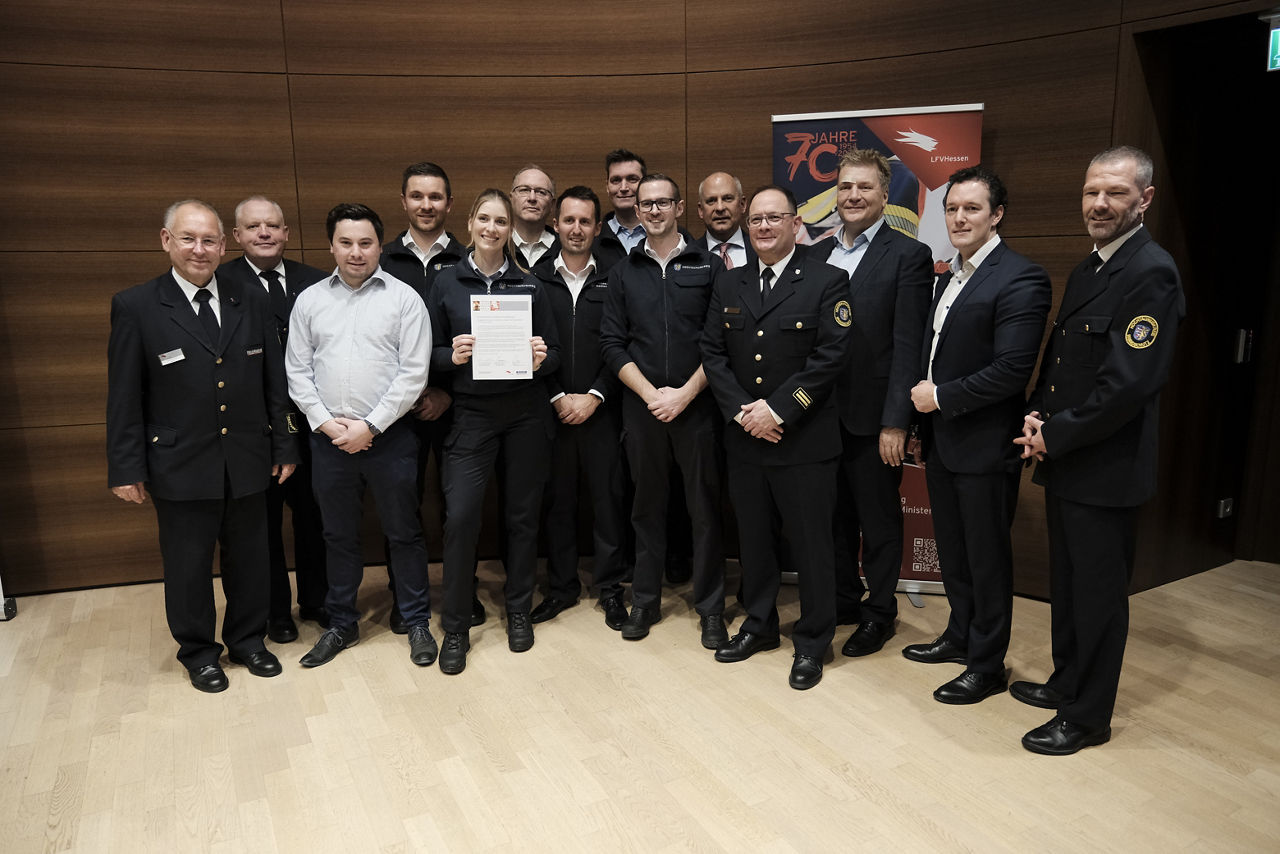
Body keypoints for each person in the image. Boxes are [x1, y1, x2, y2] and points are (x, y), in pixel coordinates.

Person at [1013, 146, 1184, 755]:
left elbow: (1128, 385)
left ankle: (1087, 718)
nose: (1100, 204)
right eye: (1091, 192)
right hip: (1067, 460)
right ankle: (1067, 684)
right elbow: (1065, 362)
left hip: (1106, 468)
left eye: (1114, 193)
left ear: (1145, 198)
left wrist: (1053, 433)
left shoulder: (1150, 271)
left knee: (1099, 597)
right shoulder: (1093, 267)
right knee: (1069, 584)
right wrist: (1037, 412)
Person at [107, 199, 296, 693]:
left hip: (248, 457)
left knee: (251, 557)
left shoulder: (248, 298)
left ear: (223, 244)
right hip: (179, 463)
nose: (200, 249)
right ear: (167, 241)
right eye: (188, 238)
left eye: (209, 240)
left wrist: (286, 446)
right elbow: (125, 397)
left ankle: (248, 640)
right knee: (188, 566)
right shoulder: (137, 306)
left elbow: (274, 380)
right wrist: (126, 467)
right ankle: (198, 651)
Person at [906, 166, 1051, 705]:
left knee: (987, 560)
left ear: (997, 215)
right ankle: (960, 637)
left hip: (987, 447)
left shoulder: (1021, 277)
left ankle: (987, 665)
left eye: (972, 208)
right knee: (956, 553)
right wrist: (926, 423)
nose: (959, 218)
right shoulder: (948, 277)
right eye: (952, 209)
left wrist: (939, 399)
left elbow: (1013, 370)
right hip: (944, 443)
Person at [701, 186, 851, 689]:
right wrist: (744, 414)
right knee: (755, 542)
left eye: (775, 218)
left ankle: (812, 642)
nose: (764, 227)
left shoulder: (829, 280)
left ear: (795, 224)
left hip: (803, 441)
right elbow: (713, 352)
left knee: (811, 547)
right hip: (746, 438)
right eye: (757, 219)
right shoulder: (729, 282)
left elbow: (830, 358)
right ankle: (760, 625)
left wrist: (778, 411)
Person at [286, 204, 435, 668]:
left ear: (379, 246)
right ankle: (341, 624)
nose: (356, 252)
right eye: (346, 243)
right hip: (328, 439)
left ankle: (415, 622)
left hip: (391, 438)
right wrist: (328, 425)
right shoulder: (310, 301)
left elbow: (414, 374)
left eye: (365, 243)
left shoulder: (405, 299)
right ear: (331, 246)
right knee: (338, 535)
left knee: (405, 533)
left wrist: (370, 427)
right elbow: (297, 371)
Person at [427, 189, 561, 675]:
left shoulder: (530, 286)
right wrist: (451, 356)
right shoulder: (446, 283)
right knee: (461, 517)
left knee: (522, 518)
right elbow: (426, 355)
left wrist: (542, 359)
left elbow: (557, 357)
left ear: (510, 230)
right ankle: (457, 626)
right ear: (469, 223)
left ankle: (519, 610)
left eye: (500, 221)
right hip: (470, 416)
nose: (491, 228)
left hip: (525, 415)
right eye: (483, 218)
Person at [812, 149, 933, 658]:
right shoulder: (815, 256)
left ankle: (880, 612)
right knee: (830, 517)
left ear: (886, 195)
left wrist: (895, 422)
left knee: (878, 521)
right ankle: (843, 600)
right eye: (844, 187)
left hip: (873, 418)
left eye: (864, 187)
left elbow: (909, 345)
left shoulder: (909, 255)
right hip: (817, 417)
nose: (853, 196)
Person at [599, 173, 728, 648]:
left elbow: (719, 345)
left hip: (697, 409)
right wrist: (653, 395)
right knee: (646, 509)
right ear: (636, 210)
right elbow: (612, 344)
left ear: (678, 209)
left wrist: (683, 395)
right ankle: (646, 600)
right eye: (644, 203)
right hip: (643, 409)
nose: (652, 211)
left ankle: (711, 607)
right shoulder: (623, 271)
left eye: (662, 203)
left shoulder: (710, 267)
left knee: (704, 511)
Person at [379, 162, 486, 632]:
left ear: (450, 203)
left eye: (436, 196)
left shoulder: (468, 260)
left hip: (454, 405)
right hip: (392, 410)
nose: (426, 205)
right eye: (417, 196)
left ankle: (461, 591)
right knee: (399, 505)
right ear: (403, 202)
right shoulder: (378, 260)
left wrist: (442, 391)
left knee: (457, 507)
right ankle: (405, 597)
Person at [218, 195, 329, 643]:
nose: (264, 233)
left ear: (286, 233)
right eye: (253, 226)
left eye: (273, 226)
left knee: (315, 518)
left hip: (315, 421)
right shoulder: (220, 283)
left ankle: (318, 599)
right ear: (237, 236)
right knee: (260, 527)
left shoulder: (318, 282)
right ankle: (274, 612)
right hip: (252, 429)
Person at [530, 187, 629, 630]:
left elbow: (625, 345)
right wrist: (556, 395)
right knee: (558, 503)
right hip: (549, 410)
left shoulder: (618, 276)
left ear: (597, 226)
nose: (576, 229)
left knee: (608, 502)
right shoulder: (533, 278)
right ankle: (562, 587)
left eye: (585, 221)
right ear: (555, 223)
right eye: (568, 220)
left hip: (602, 409)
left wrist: (595, 395)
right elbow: (525, 347)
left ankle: (610, 589)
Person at [694, 172, 756, 271]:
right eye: (711, 201)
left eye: (727, 199)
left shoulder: (761, 250)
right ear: (701, 210)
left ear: (742, 205)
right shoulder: (689, 255)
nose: (720, 208)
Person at [596, 149, 647, 260]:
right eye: (616, 180)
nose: (623, 188)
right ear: (607, 187)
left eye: (632, 179)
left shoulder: (669, 235)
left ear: (645, 184)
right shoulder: (593, 238)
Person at [510, 165, 558, 269]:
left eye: (541, 192)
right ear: (511, 199)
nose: (532, 198)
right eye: (524, 190)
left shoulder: (564, 249)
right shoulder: (496, 246)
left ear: (552, 204)